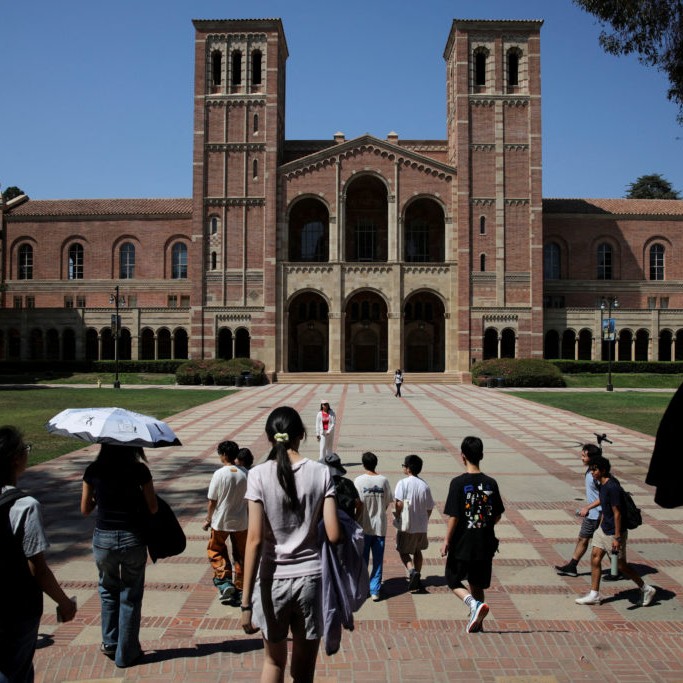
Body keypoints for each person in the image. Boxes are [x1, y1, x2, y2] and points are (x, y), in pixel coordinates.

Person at [240, 406, 341, 683]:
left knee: (273, 662)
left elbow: (255, 540)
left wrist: (246, 601)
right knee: (304, 669)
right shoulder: (321, 473)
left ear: (269, 438)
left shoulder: (257, 475)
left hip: (272, 579)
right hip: (310, 579)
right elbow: (333, 535)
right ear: (302, 435)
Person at [1, 426, 77, 683]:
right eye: (25, 449)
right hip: (16, 606)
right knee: (15, 670)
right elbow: (38, 569)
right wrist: (64, 602)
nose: (27, 453)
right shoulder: (25, 506)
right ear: (15, 460)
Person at [81, 443, 158, 668]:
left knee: (107, 589)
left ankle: (110, 642)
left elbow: (85, 509)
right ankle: (127, 651)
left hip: (103, 539)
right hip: (132, 537)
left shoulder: (93, 470)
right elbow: (153, 508)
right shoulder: (140, 471)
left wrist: (101, 498)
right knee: (131, 594)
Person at [441, 436, 504, 633]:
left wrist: (446, 540)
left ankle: (473, 606)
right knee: (477, 584)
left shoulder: (458, 483)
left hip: (463, 543)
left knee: (452, 579)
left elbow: (455, 516)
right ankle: (477, 622)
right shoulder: (491, 483)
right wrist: (483, 524)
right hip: (485, 542)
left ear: (462, 456)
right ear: (482, 455)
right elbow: (497, 514)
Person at [575, 455, 656, 607]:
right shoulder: (603, 484)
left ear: (603, 470)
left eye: (595, 470)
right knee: (595, 557)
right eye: (591, 470)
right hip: (604, 528)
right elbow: (603, 502)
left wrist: (617, 537)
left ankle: (646, 588)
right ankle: (594, 594)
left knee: (621, 565)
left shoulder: (612, 487)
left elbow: (617, 512)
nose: (592, 473)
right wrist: (595, 516)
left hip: (614, 532)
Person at [202, 440, 248, 606]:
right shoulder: (245, 473)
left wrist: (208, 519)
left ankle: (224, 582)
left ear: (223, 455)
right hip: (242, 521)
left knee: (216, 550)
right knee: (241, 555)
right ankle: (241, 587)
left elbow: (212, 501)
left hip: (221, 520)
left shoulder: (219, 474)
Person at [555, 443, 603, 578]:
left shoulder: (596, 474)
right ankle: (572, 566)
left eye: (584, 456)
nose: (581, 458)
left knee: (588, 540)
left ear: (592, 458)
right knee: (587, 539)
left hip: (596, 514)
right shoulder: (592, 470)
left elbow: (605, 496)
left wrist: (588, 507)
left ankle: (619, 567)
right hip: (594, 513)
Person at [354, 451, 393, 601]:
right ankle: (375, 590)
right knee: (377, 561)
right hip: (380, 527)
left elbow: (357, 503)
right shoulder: (383, 481)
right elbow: (388, 501)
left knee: (362, 561)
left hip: (363, 526)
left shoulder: (358, 481)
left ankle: (363, 588)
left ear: (363, 464)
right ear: (376, 463)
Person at [394, 454, 434, 592]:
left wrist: (397, 515)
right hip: (421, 526)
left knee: (403, 550)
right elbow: (429, 507)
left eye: (404, 465)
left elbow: (398, 503)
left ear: (409, 468)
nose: (403, 468)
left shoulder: (403, 483)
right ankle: (418, 573)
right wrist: (425, 519)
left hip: (407, 525)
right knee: (417, 550)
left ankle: (412, 571)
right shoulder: (424, 485)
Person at [324, 452, 362, 521]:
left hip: (328, 523)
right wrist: (354, 520)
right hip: (348, 522)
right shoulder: (348, 483)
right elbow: (358, 504)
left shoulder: (324, 484)